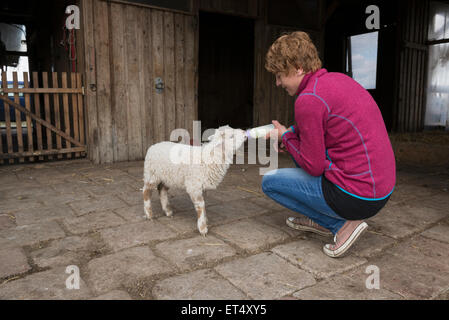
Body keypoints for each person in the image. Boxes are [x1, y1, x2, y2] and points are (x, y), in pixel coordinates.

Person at [262, 31, 396, 258]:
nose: (277, 83)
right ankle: (327, 217)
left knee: (269, 182)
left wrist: (286, 137)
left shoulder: (308, 100)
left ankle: (337, 225)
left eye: (279, 75)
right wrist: (291, 135)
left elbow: (313, 166)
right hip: (381, 190)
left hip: (356, 196)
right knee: (305, 150)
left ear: (297, 68)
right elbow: (317, 130)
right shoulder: (337, 80)